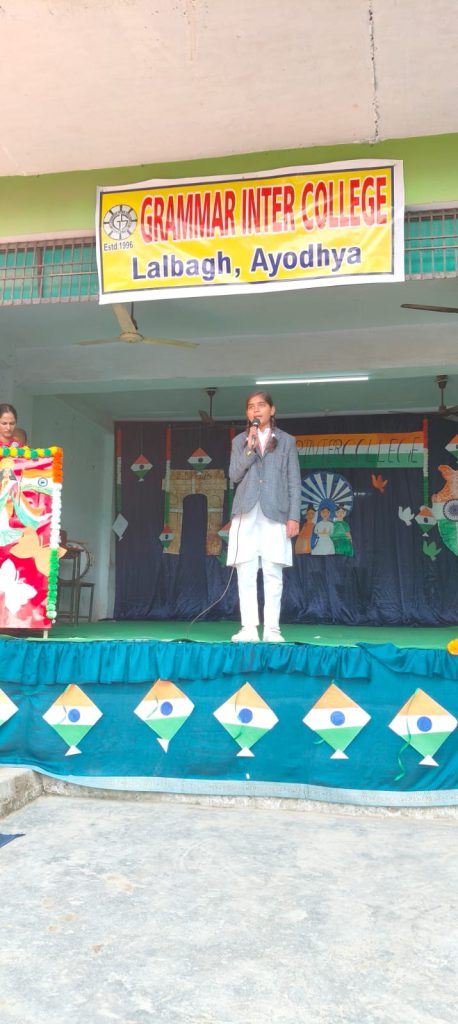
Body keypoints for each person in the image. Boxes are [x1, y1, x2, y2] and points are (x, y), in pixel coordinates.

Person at [227, 391, 301, 643]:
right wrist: (248, 449)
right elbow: (234, 475)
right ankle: (248, 628)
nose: (256, 410)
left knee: (273, 571)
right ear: (247, 413)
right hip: (246, 512)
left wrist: (294, 517)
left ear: (272, 409)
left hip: (275, 511)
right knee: (245, 571)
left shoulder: (287, 441)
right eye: (251, 407)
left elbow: (294, 481)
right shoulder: (240, 440)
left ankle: (272, 629)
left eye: (261, 405)